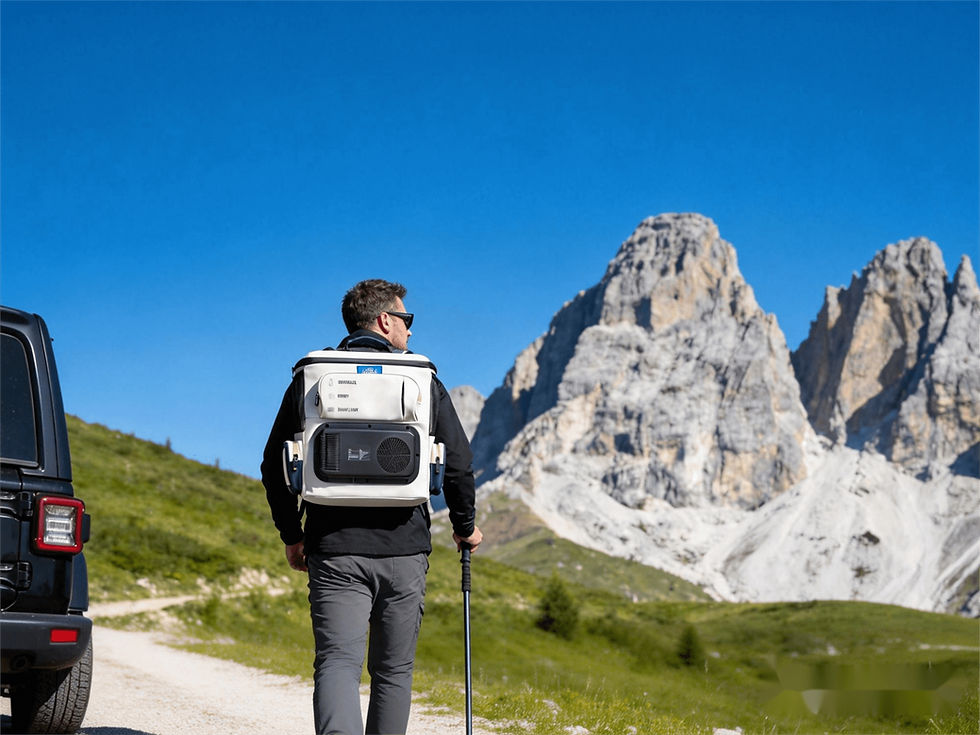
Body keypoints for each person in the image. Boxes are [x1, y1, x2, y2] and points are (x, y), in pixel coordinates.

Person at [260, 278, 482, 735]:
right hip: (404, 548)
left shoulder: (313, 375)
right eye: (407, 320)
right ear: (384, 320)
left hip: (335, 546)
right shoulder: (421, 378)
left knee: (338, 662)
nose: (410, 331)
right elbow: (457, 465)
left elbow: (272, 463)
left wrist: (293, 535)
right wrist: (466, 526)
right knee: (393, 671)